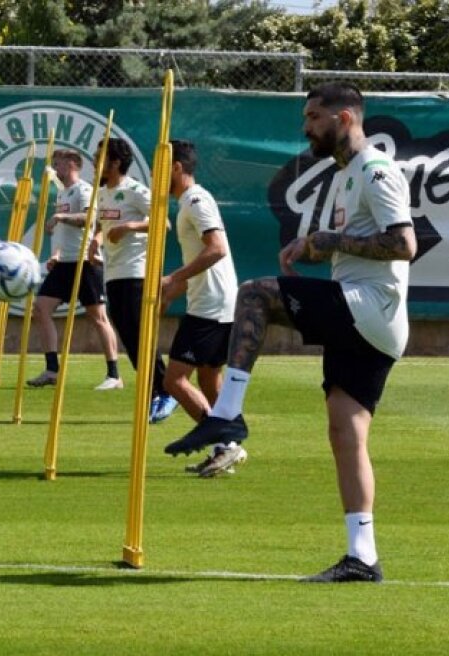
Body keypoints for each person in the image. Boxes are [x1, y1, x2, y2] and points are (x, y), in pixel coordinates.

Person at [164, 83, 416, 583]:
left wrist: (327, 240)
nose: (306, 127)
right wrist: (316, 247)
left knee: (255, 294)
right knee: (345, 434)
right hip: (368, 321)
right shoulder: (345, 175)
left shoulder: (376, 170)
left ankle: (229, 415)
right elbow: (362, 243)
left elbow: (404, 244)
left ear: (345, 117)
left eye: (314, 117)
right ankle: (362, 557)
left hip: (370, 309)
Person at [159, 140, 245, 477]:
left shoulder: (195, 200)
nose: (156, 177)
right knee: (209, 378)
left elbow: (217, 249)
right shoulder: (188, 204)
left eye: (160, 169)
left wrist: (172, 278)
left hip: (212, 307)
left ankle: (227, 444)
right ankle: (223, 448)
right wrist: (174, 290)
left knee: (174, 380)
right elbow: (202, 258)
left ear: (177, 168)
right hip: (215, 302)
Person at [95, 138, 178, 423]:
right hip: (113, 273)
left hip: (135, 273)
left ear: (115, 162)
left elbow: (163, 222)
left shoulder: (135, 191)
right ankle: (156, 388)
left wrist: (130, 226)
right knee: (129, 339)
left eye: (100, 158)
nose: (95, 163)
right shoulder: (103, 194)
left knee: (139, 336)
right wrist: (95, 242)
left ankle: (165, 390)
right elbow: (101, 225)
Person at [27, 149, 122, 391]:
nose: (54, 168)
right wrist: (56, 253)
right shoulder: (62, 193)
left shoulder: (84, 190)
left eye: (57, 163)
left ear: (71, 164)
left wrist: (60, 216)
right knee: (41, 308)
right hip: (63, 264)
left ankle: (114, 374)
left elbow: (90, 219)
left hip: (85, 263)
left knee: (98, 316)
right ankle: (52, 370)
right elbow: (63, 232)